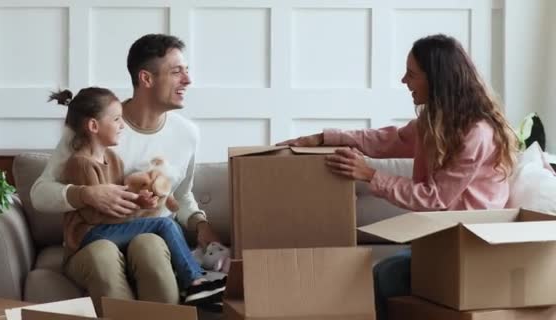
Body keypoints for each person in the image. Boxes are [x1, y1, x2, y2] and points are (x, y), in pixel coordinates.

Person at [278, 34, 518, 320]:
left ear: (437, 79)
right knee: (375, 274)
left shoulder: (476, 133)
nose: (404, 81)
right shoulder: (435, 124)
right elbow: (385, 140)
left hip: (472, 249)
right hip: (443, 242)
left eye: (412, 74)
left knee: (386, 274)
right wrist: (322, 137)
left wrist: (369, 174)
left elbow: (436, 199)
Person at [31, 34, 222, 314]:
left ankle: (193, 288)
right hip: (95, 242)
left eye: (187, 70)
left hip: (150, 236)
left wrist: (200, 224)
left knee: (150, 246)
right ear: (146, 79)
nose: (188, 80)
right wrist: (85, 194)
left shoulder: (187, 134)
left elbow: (181, 196)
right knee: (103, 254)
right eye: (177, 71)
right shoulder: (93, 127)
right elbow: (39, 193)